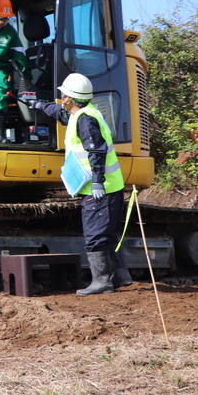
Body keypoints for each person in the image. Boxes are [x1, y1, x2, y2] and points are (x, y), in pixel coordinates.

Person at [34, 73, 131, 295]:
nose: (61, 99)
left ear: (69, 98)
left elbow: (96, 150)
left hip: (99, 189)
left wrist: (97, 182)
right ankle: (121, 276)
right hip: (109, 187)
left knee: (96, 235)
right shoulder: (84, 113)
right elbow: (58, 112)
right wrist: (39, 105)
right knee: (107, 232)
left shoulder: (85, 120)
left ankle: (102, 281)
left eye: (63, 95)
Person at [0, 0, 30, 143]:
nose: (2, 22)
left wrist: (26, 77)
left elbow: (19, 55)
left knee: (1, 91)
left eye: (5, 18)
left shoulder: (10, 32)